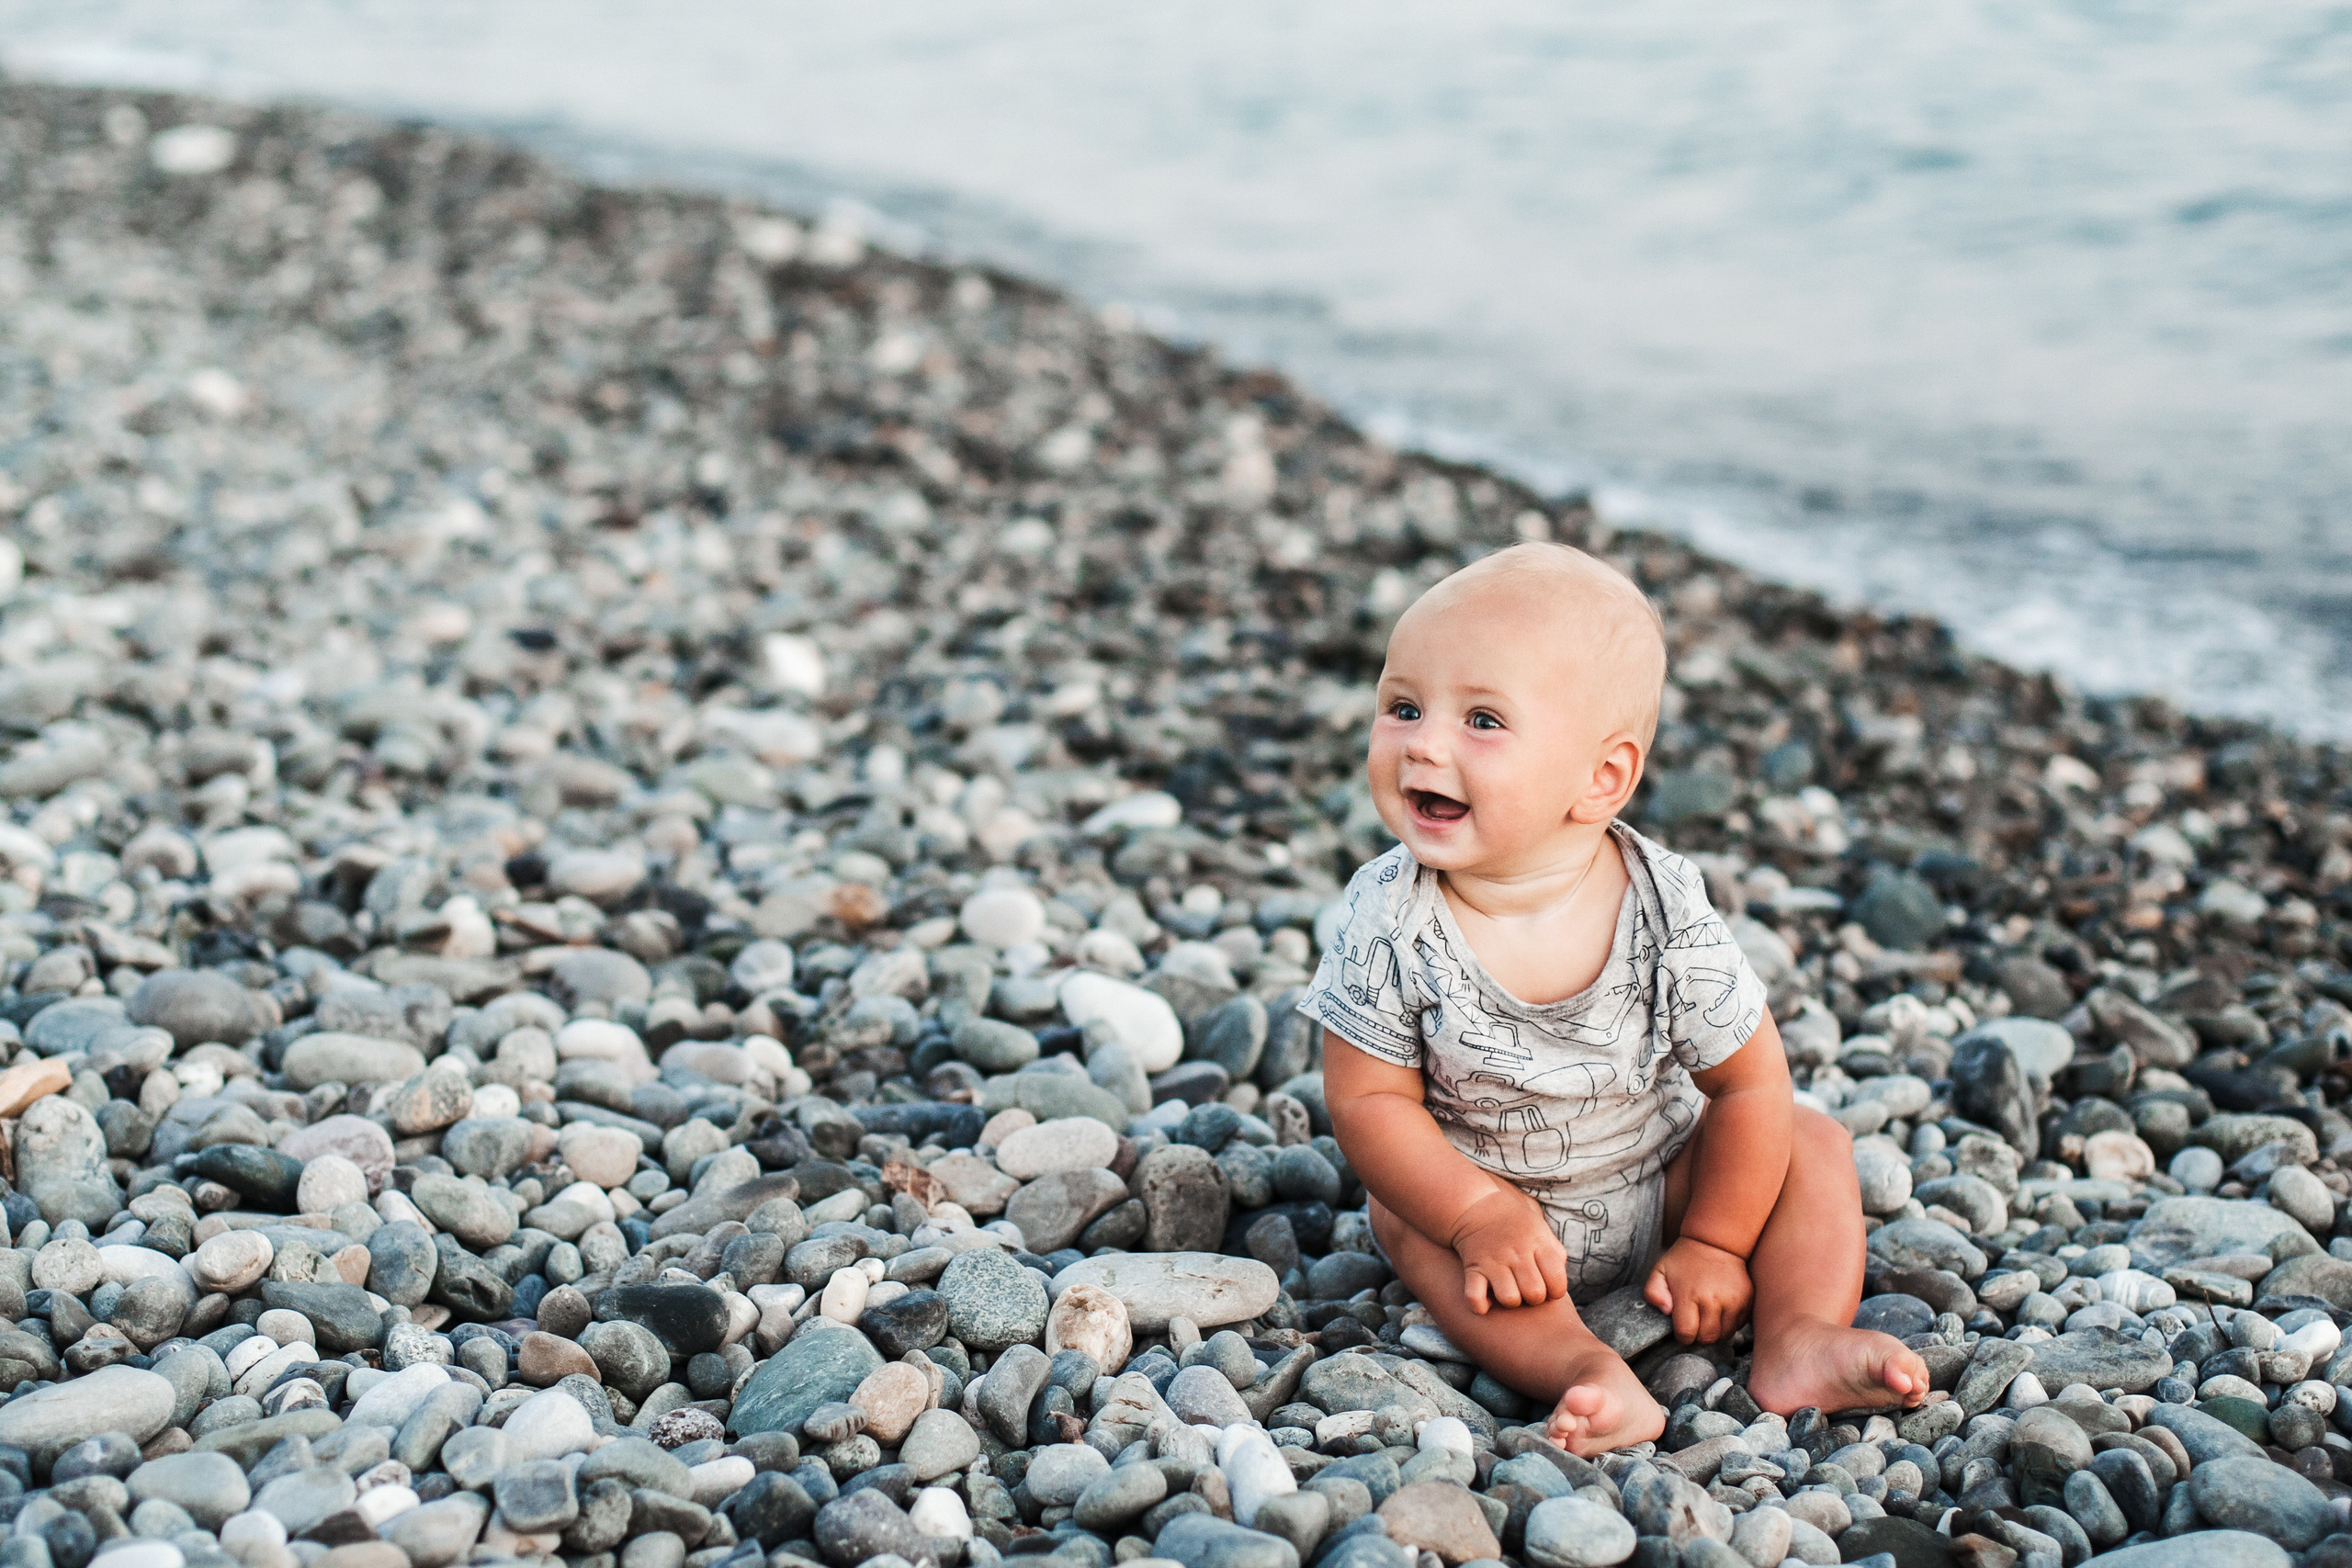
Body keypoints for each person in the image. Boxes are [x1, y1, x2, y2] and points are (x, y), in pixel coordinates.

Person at [1301, 542, 1929, 1455]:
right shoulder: (1386, 916)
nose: (1423, 744)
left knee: (1810, 1139)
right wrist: (1474, 1212)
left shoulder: (1663, 903)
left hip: (1664, 1182)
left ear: (1601, 778)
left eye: (1482, 720)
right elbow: (1366, 1101)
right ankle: (1580, 1368)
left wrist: (1716, 1240)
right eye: (1403, 707)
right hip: (1489, 1207)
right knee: (1400, 1217)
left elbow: (1748, 1084)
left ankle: (1799, 1338)